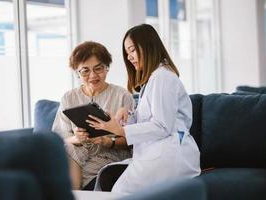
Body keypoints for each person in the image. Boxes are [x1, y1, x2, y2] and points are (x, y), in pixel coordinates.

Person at [86, 24, 201, 193]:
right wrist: (127, 116)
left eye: (132, 50)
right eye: (127, 52)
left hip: (170, 153)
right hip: (159, 151)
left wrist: (120, 130)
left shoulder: (162, 77)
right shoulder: (154, 78)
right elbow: (152, 118)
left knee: (121, 191)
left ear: (148, 46)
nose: (129, 57)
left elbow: (162, 126)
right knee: (110, 182)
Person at [52, 41, 135, 190]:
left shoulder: (122, 96)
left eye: (98, 69)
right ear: (77, 72)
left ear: (107, 68)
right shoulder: (68, 97)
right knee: (68, 149)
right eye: (85, 71)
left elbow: (133, 138)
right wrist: (76, 138)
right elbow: (59, 137)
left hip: (110, 152)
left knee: (74, 172)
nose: (92, 76)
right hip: (78, 150)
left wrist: (107, 141)